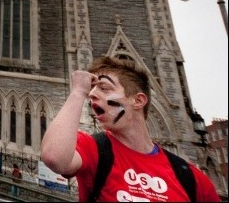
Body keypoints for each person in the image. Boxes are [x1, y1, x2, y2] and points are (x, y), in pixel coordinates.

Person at [40, 56, 219, 202]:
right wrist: (78, 92)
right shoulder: (94, 149)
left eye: (104, 87)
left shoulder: (191, 178)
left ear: (138, 101)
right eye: (92, 90)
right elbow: (54, 157)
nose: (92, 94)